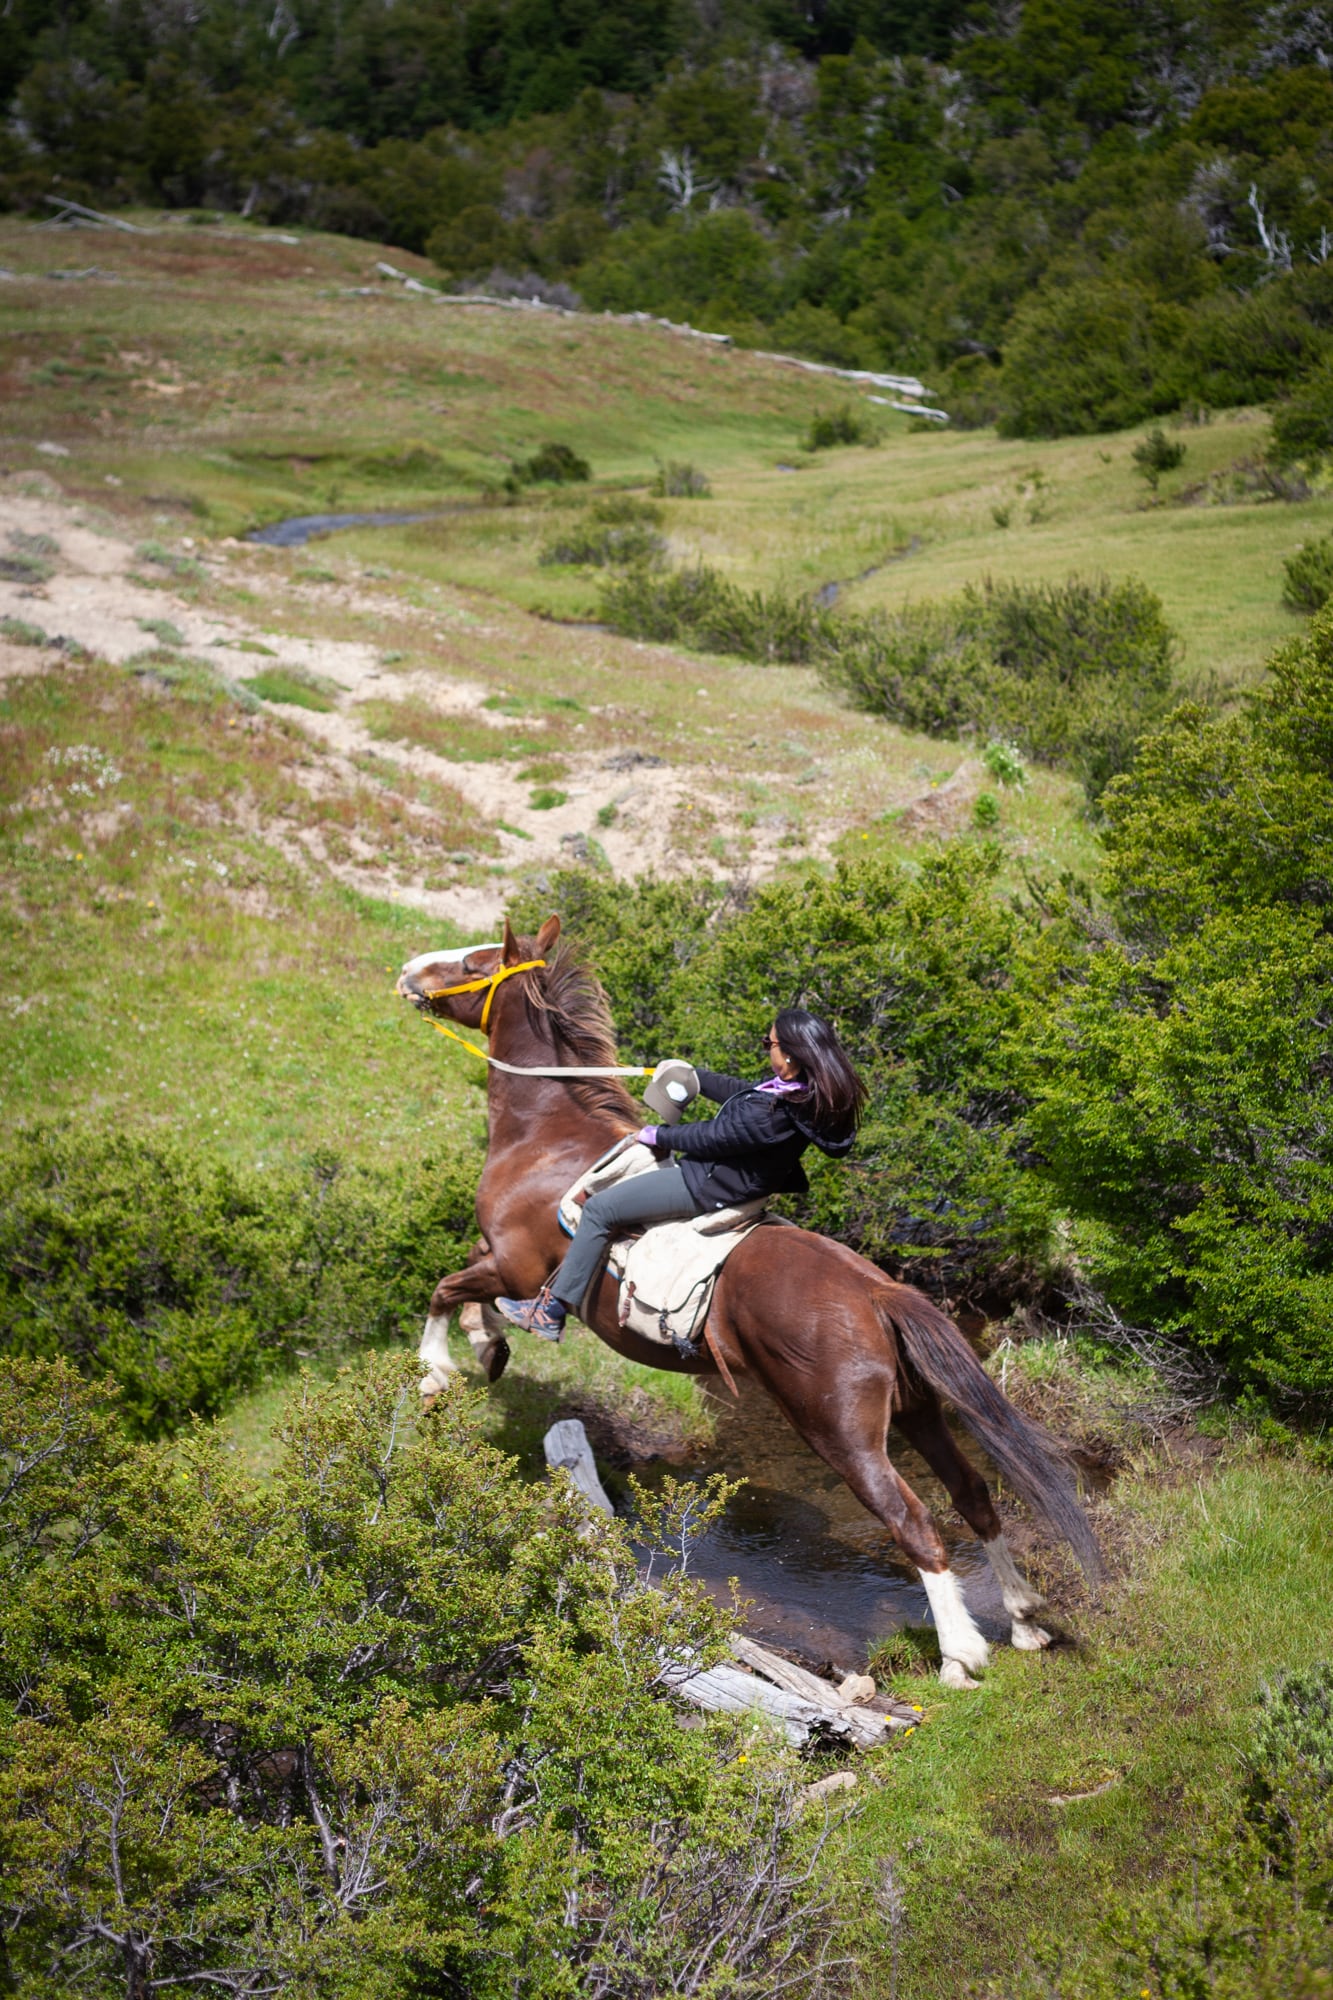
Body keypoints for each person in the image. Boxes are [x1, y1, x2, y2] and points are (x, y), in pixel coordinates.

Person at [495, 1008, 867, 1342]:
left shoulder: (779, 1112)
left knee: (601, 1209)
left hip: (707, 1186)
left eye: (767, 1042)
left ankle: (552, 1311)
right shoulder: (794, 1092)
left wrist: (656, 1134)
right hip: (725, 1179)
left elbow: (716, 1138)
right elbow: (742, 1093)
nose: (765, 1047)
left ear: (788, 1053)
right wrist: (692, 1075)